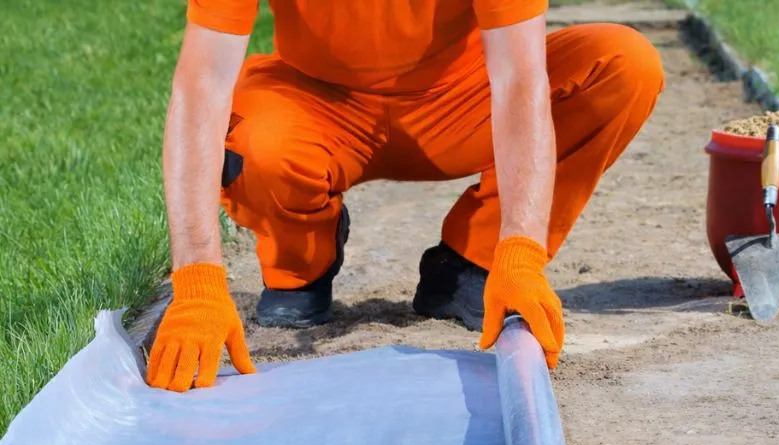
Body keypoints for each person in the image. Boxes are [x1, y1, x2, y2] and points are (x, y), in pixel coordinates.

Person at [146, 0, 665, 392]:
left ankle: (471, 263)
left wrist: (521, 250)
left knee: (621, 64)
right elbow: (202, 84)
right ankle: (300, 261)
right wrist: (197, 279)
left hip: (460, 102)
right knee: (255, 143)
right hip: (316, 104)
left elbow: (519, 79)